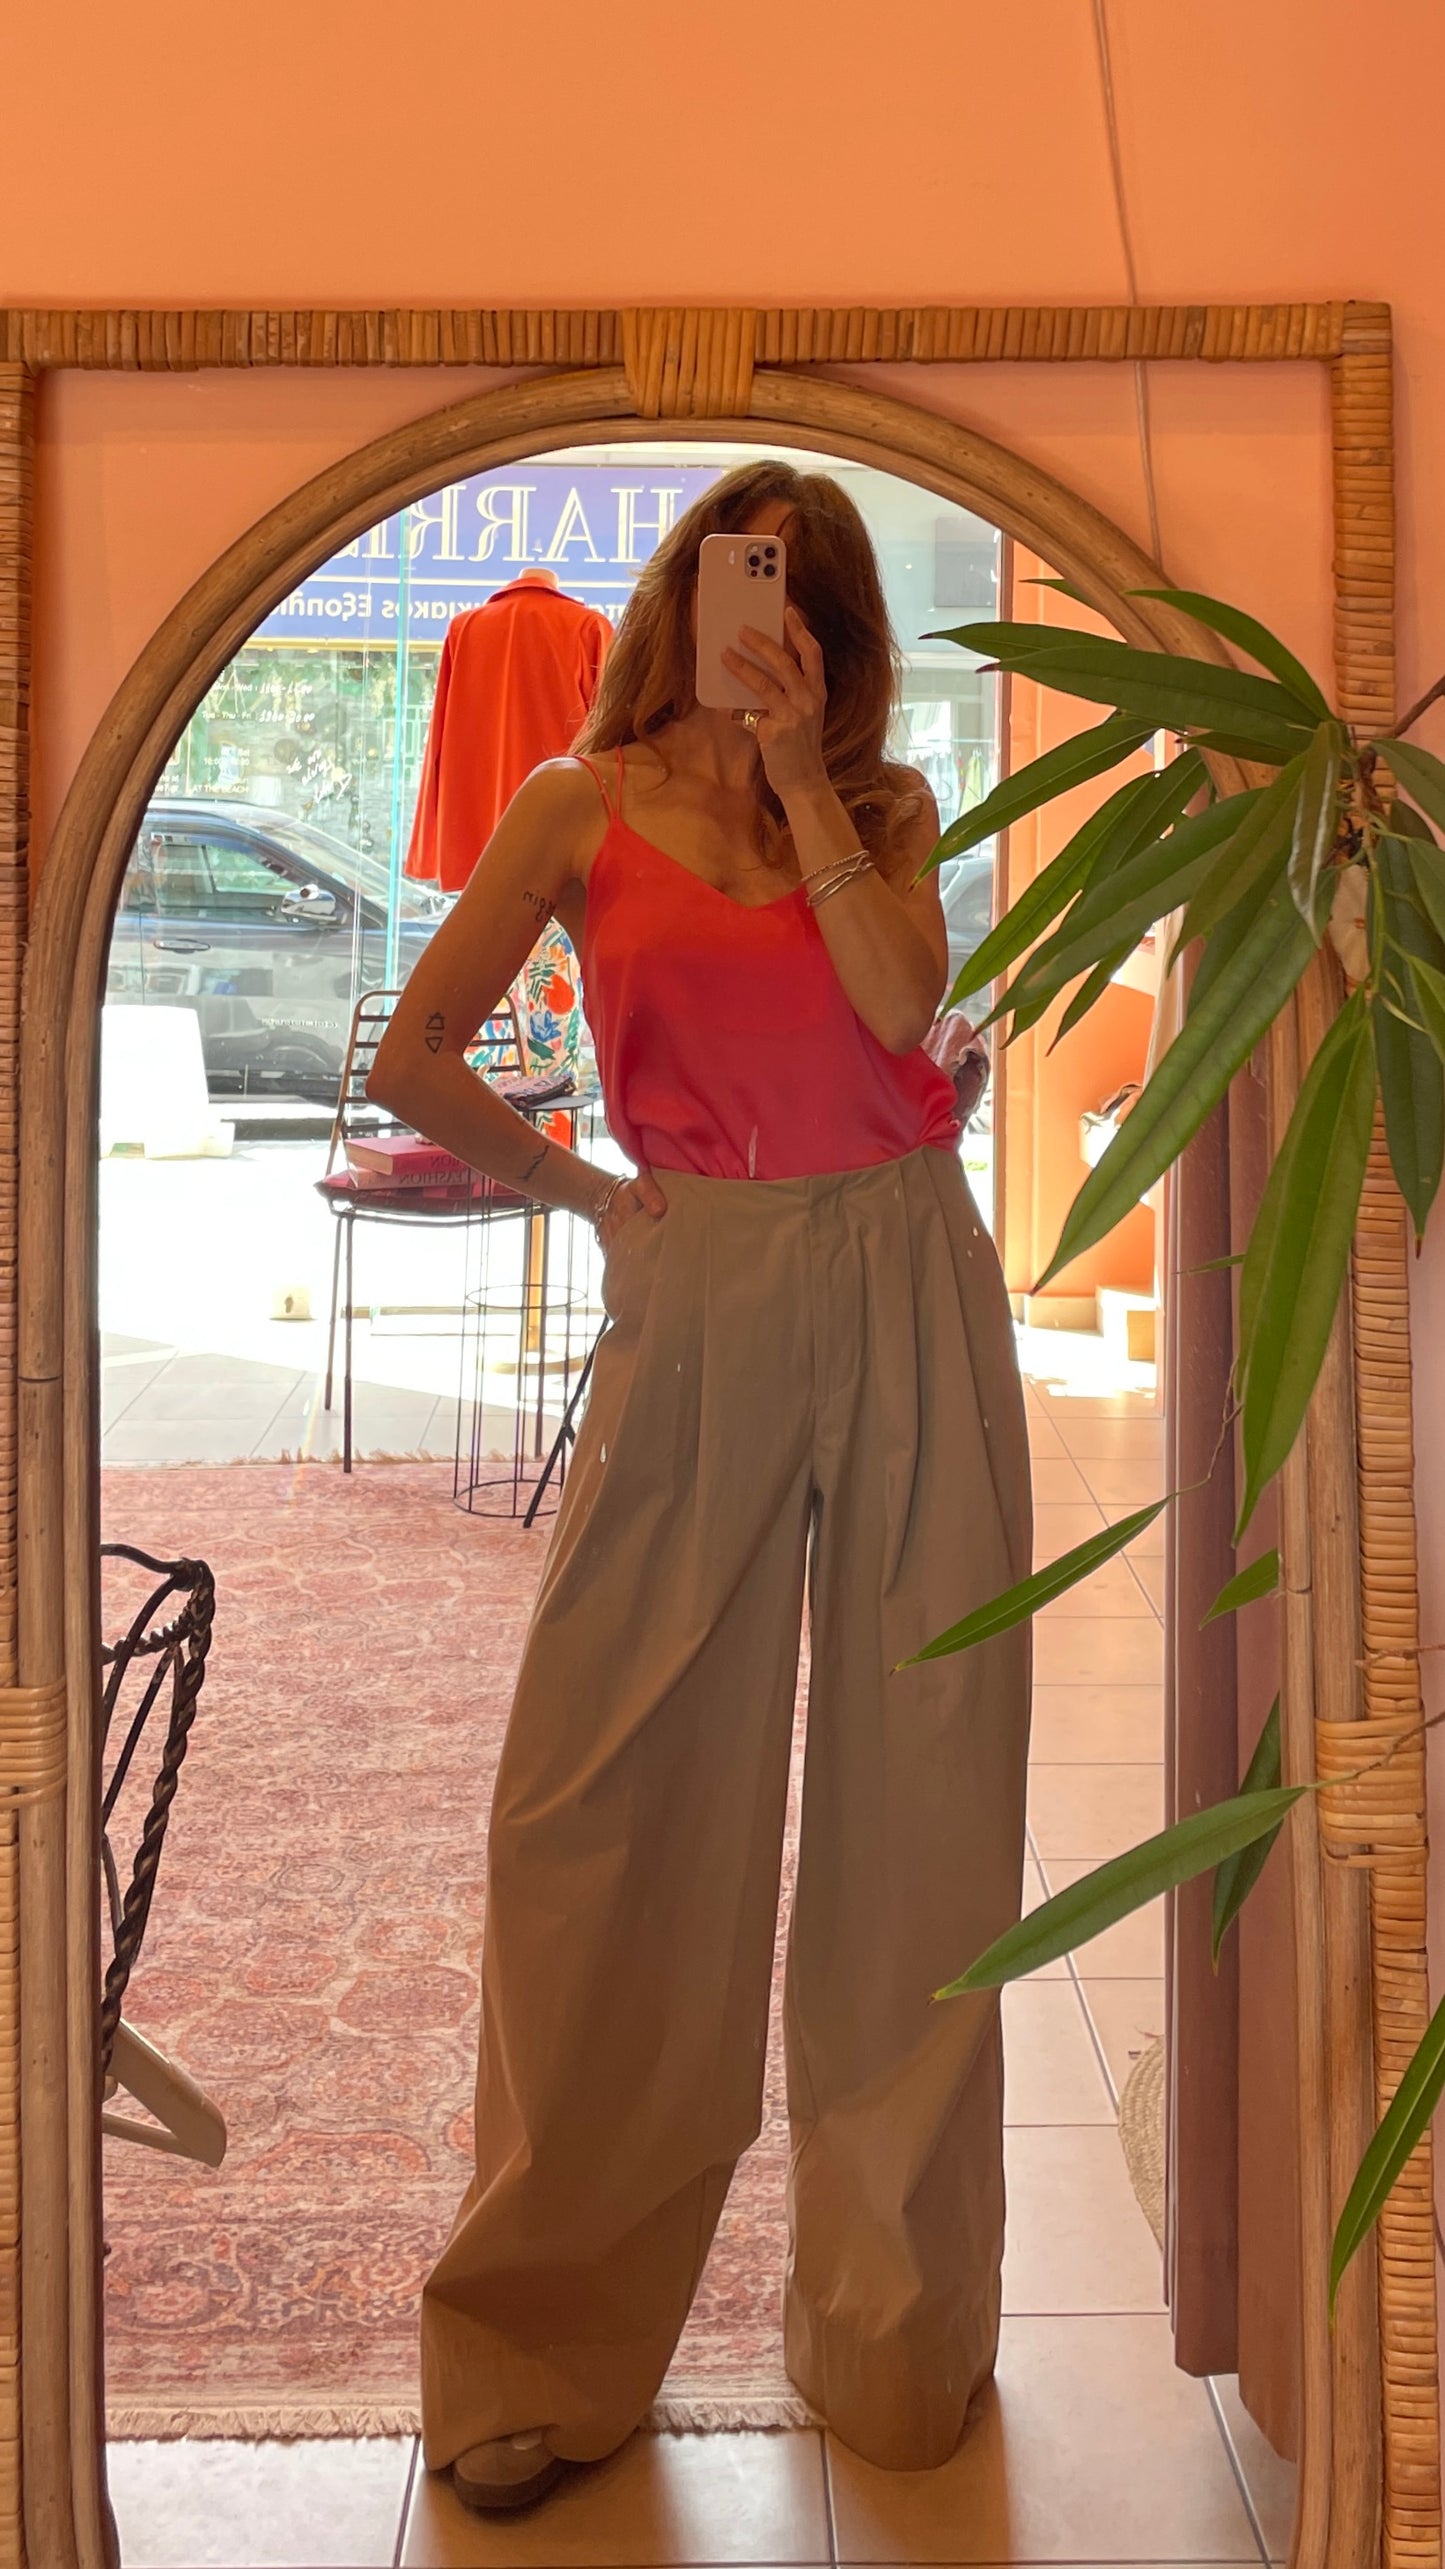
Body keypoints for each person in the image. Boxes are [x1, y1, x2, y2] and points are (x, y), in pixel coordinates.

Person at [368, 460, 1032, 2513]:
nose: (774, 625)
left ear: (844, 639)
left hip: (909, 1266)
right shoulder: (574, 804)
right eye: (749, 587)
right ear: (685, 596)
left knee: (927, 1803)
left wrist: (802, 777)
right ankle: (537, 2340)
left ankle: (893, 2328)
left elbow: (900, 1008)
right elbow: (415, 1052)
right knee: (608, 1799)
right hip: (702, 1269)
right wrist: (589, 1198)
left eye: (810, 602)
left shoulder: (887, 810)